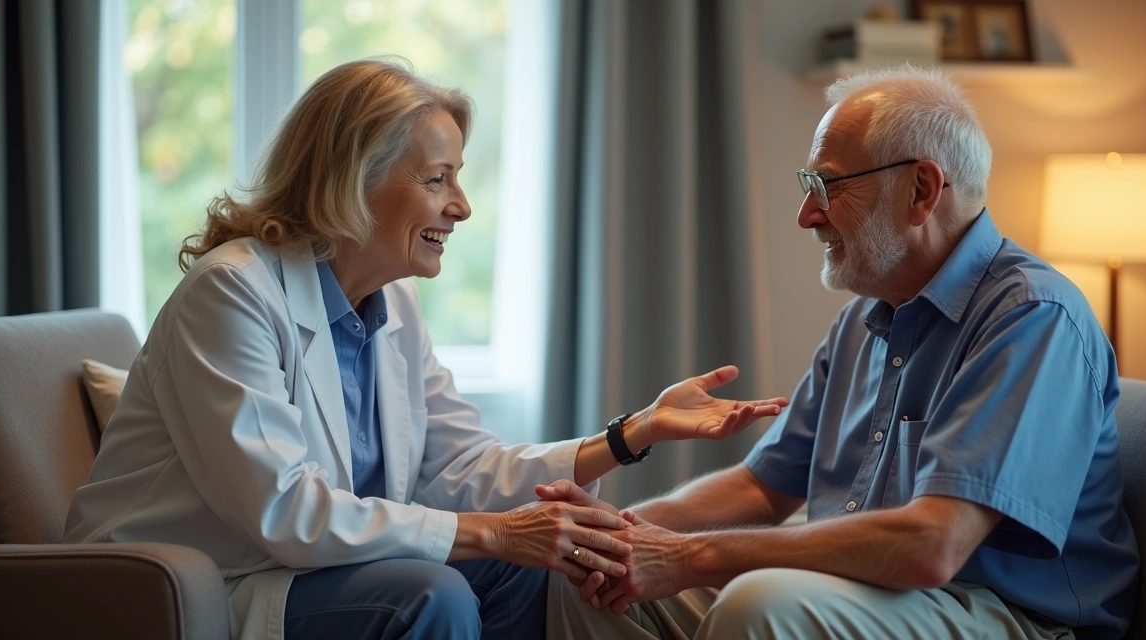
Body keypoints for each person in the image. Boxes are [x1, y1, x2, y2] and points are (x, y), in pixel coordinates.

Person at [62, 58, 789, 640]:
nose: (462, 206)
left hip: (303, 572)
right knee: (431, 591)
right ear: (355, 181)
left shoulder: (390, 305)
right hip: (198, 585)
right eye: (438, 178)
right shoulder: (233, 293)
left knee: (533, 573)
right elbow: (283, 513)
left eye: (458, 178)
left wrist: (633, 434)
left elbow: (461, 468)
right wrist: (500, 533)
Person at [544, 65, 1140, 640]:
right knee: (587, 577)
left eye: (828, 186)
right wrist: (619, 535)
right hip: (866, 593)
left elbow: (935, 546)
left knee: (762, 605)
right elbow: (762, 488)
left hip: (1007, 614)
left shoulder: (1031, 317)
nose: (807, 215)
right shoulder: (865, 318)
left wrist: (689, 556)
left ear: (922, 190)